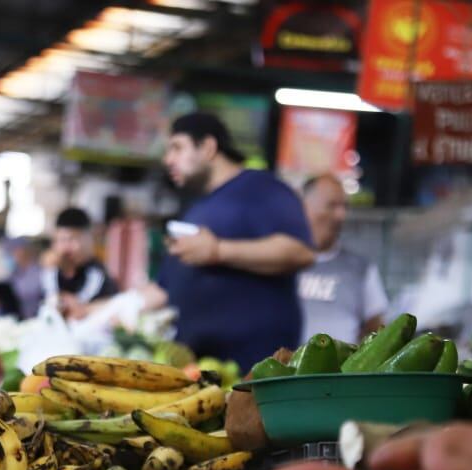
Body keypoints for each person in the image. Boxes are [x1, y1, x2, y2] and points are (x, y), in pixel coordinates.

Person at [142, 112, 315, 370]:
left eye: (177, 148)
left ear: (208, 147)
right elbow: (164, 289)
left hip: (254, 372)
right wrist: (100, 311)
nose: (168, 160)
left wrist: (218, 251)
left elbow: (300, 252)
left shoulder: (262, 189)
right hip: (197, 369)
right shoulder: (197, 209)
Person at [298, 175, 388, 343]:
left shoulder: (361, 269)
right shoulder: (279, 264)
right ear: (304, 207)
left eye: (344, 207)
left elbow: (378, 328)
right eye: (331, 206)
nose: (341, 215)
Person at [41, 208, 118, 320]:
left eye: (72, 239)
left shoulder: (97, 274)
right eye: (62, 240)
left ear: (89, 238)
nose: (66, 248)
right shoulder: (53, 271)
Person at [5, 237, 43, 319]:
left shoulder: (40, 272)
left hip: (37, 318)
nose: (12, 254)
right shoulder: (14, 273)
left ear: (23, 250)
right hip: (19, 318)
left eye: (14, 250)